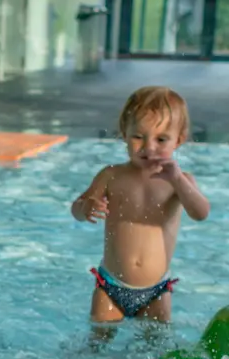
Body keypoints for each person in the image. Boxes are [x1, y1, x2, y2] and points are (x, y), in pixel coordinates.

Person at [69, 86, 211, 325]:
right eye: (138, 137)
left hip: (156, 290)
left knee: (154, 347)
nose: (149, 147)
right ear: (124, 133)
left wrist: (177, 179)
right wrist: (86, 208)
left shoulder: (180, 181)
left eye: (161, 139)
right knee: (97, 342)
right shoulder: (111, 175)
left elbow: (201, 213)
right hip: (111, 285)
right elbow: (77, 208)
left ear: (179, 140)